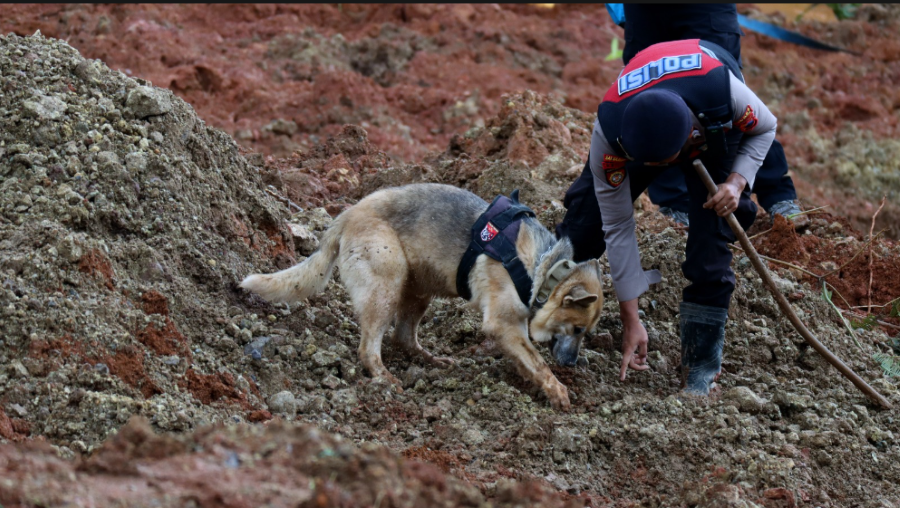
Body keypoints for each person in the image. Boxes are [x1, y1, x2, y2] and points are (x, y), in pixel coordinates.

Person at [555, 38, 776, 395]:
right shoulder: (610, 134)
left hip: (708, 116)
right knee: (584, 227)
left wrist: (735, 183)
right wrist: (631, 318)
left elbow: (766, 128)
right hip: (644, 114)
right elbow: (618, 225)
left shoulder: (725, 96)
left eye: (667, 162)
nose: (663, 172)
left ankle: (701, 364)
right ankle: (562, 324)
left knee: (710, 244)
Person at [610, 4, 807, 229]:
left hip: (706, 9)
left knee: (722, 100)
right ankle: (676, 204)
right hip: (645, 13)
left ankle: (777, 196)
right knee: (653, 105)